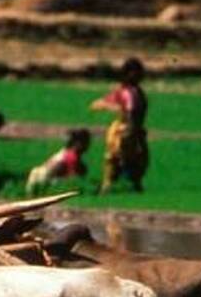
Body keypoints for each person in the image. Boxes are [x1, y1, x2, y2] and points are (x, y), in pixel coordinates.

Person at [90, 57, 149, 194]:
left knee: (131, 165)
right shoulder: (127, 92)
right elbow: (129, 112)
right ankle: (112, 189)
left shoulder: (134, 92)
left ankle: (115, 189)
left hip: (131, 131)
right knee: (122, 163)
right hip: (124, 132)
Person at [26, 129, 91, 195]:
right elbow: (73, 179)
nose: (88, 146)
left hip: (37, 175)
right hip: (44, 181)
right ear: (78, 144)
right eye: (86, 143)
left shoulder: (65, 152)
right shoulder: (72, 157)